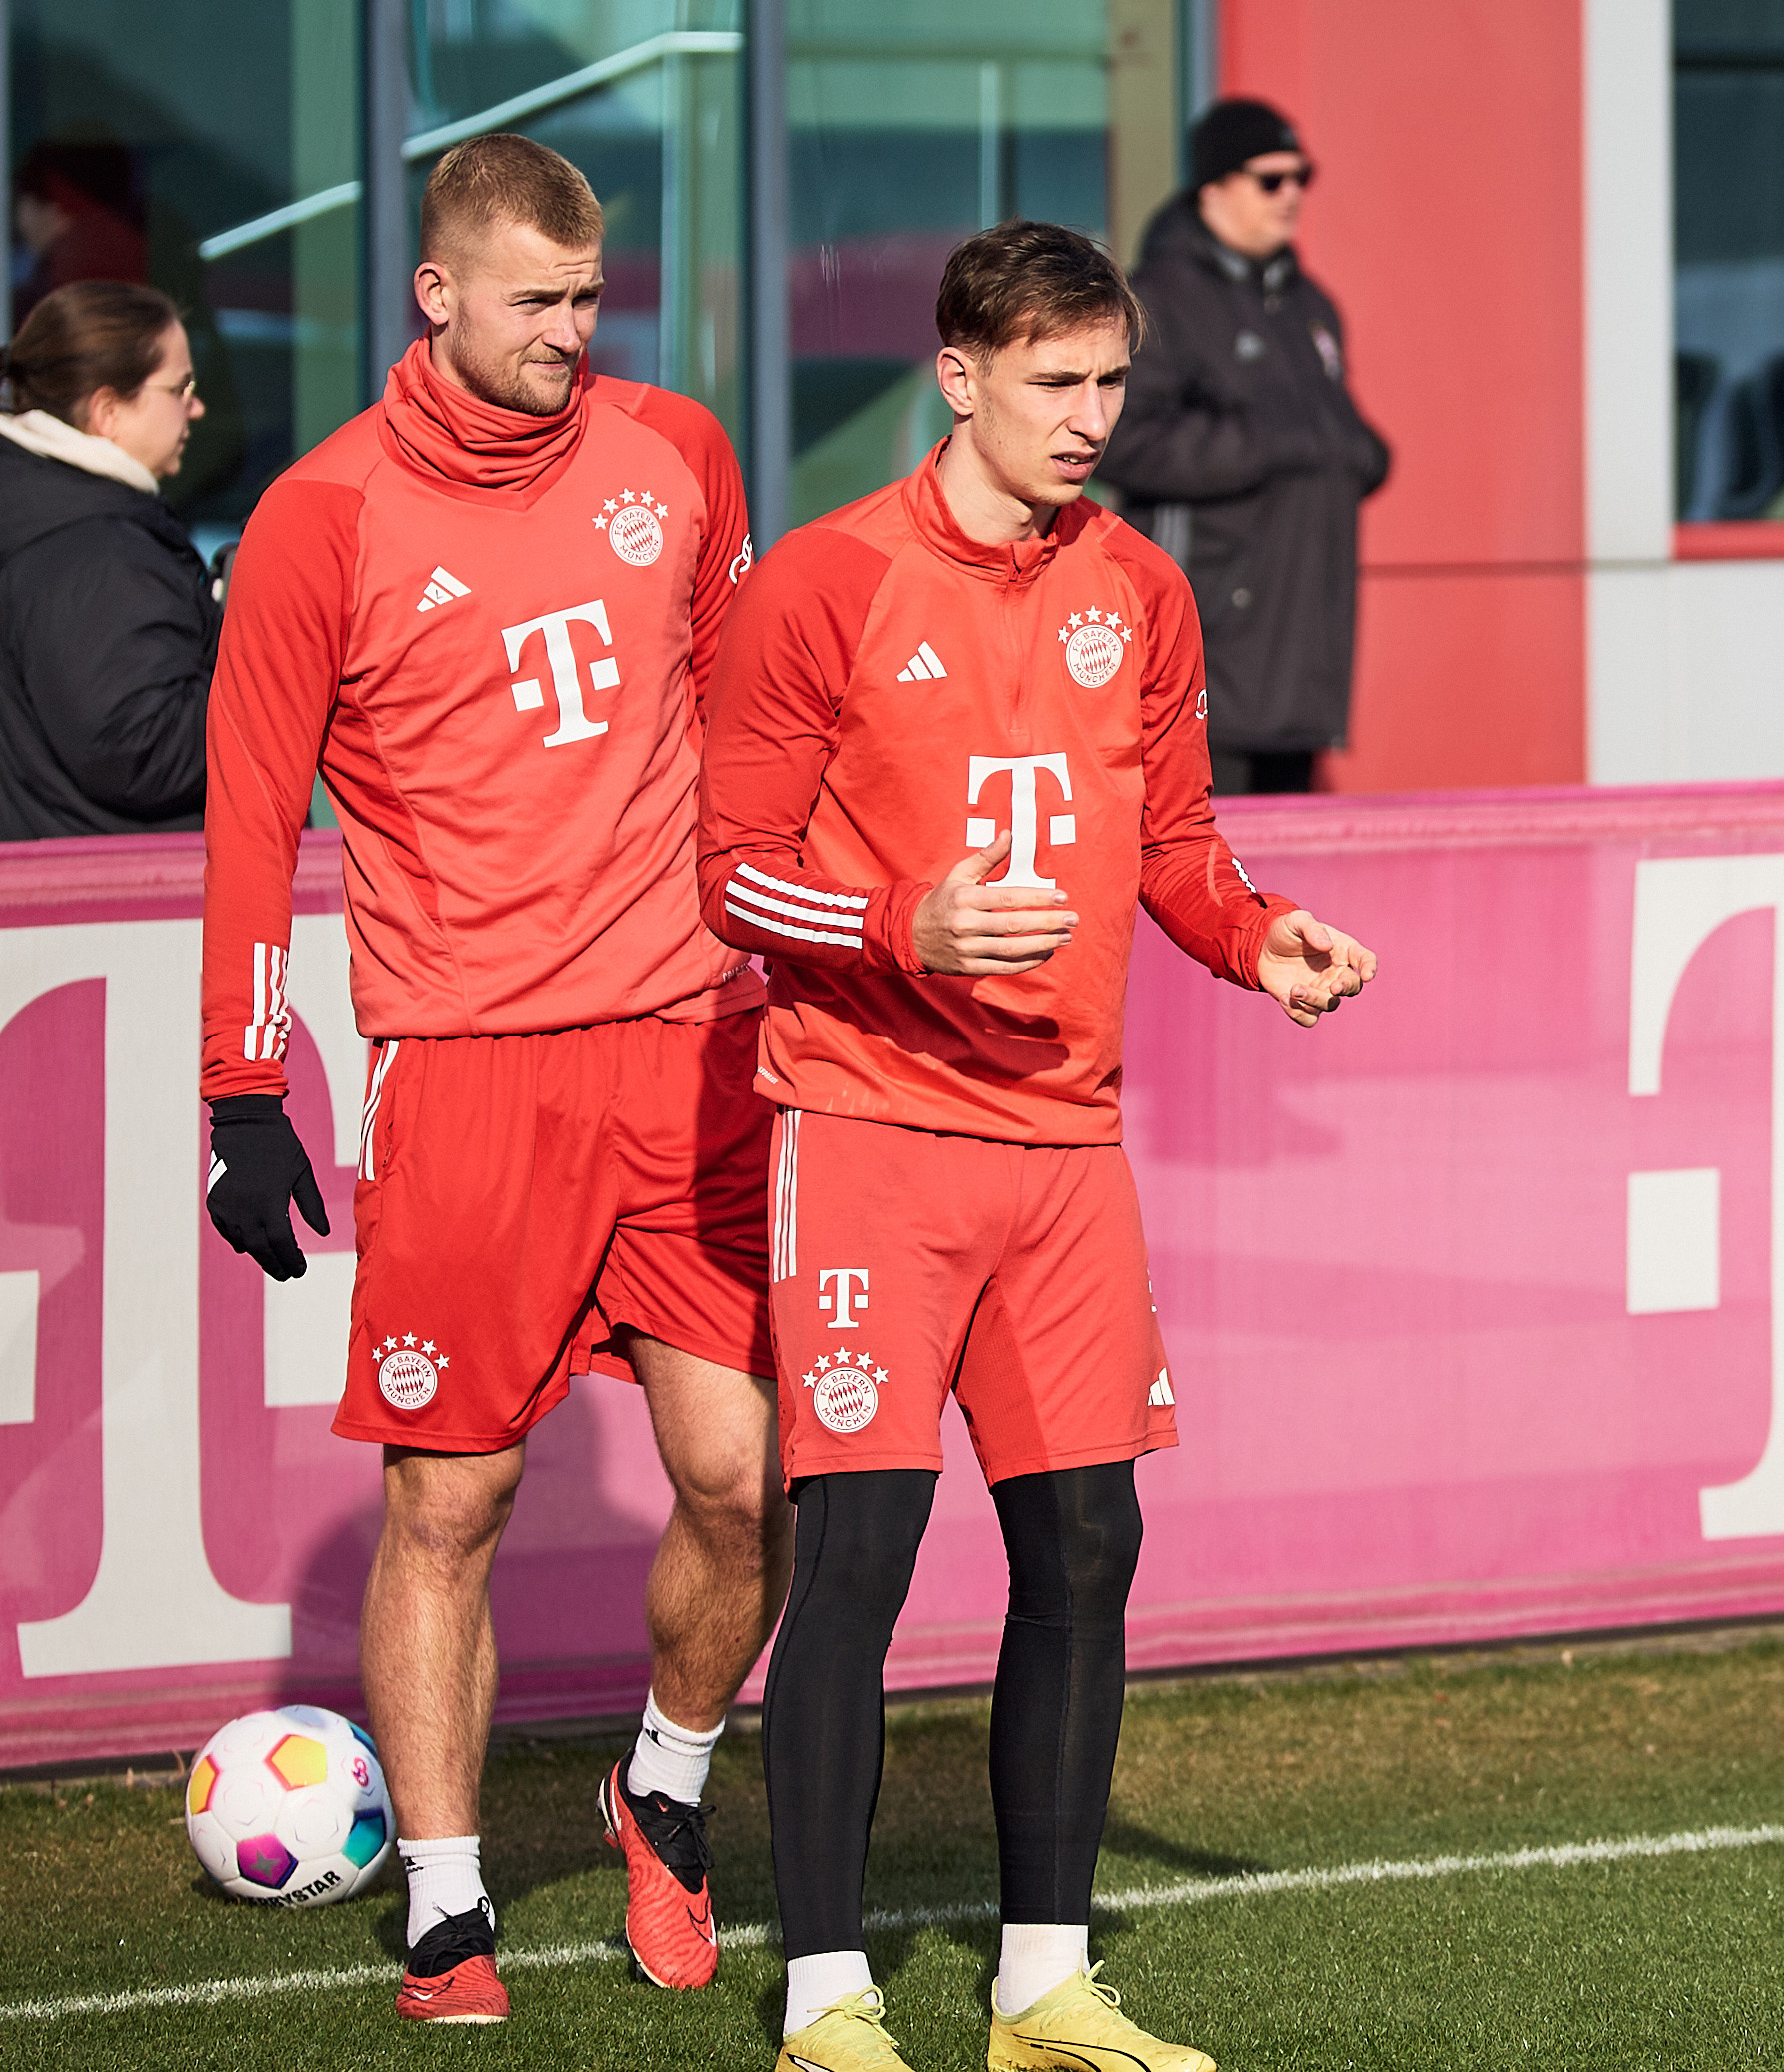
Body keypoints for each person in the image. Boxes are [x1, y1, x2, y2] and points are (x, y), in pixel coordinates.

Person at [700, 220, 1372, 2072]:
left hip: (1066, 1149)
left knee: (1089, 1546)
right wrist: (907, 924)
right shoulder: (823, 584)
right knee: (862, 1549)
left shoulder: (1141, 588)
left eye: (1110, 381)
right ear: (962, 374)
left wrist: (1260, 936)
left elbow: (1172, 843)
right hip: (868, 1127)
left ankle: (1040, 1986)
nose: (1092, 417)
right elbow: (730, 870)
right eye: (1058, 382)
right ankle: (825, 1997)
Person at [197, 133, 786, 2024]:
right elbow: (244, 816)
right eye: (535, 300)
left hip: (691, 1043)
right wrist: (241, 1081)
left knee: (743, 1475)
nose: (569, 332)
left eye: (589, 296)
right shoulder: (321, 513)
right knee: (454, 1503)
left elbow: (754, 720)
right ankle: (446, 1907)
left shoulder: (678, 451)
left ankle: (664, 1790)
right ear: (436, 293)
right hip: (467, 1074)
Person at [1103, 96, 1391, 796]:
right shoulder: (1160, 299)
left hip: (1303, 654)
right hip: (1210, 649)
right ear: (1215, 187)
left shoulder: (1309, 306)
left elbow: (1341, 436)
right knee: (1198, 863)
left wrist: (1358, 453)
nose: (1291, 195)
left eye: (1302, 177)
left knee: (1279, 882)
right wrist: (1268, 443)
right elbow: (1122, 439)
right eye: (1271, 179)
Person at [0, 280, 216, 839]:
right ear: (108, 410)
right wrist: (270, 666)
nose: (196, 407)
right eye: (180, 386)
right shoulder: (96, 551)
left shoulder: (49, 521)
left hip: (58, 908)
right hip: (125, 912)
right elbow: (139, 751)